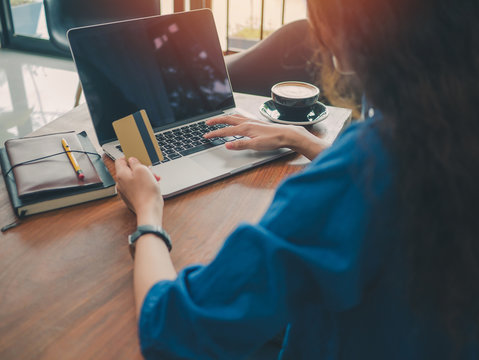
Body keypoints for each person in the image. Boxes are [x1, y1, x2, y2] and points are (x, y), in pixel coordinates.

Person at [115, 0, 479, 358]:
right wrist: (298, 138)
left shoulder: (361, 170)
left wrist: (148, 212)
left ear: (349, 31)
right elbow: (394, 182)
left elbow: (174, 330)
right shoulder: (446, 132)